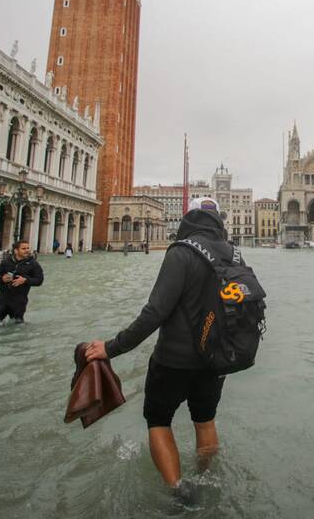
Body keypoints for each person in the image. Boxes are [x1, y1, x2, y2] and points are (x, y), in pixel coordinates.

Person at [83, 197, 238, 489]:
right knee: (205, 421)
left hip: (174, 360)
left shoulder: (181, 252)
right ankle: (206, 481)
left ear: (188, 218)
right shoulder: (233, 253)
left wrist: (112, 347)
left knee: (159, 420)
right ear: (218, 219)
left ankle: (178, 491)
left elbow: (155, 312)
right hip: (215, 359)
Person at [0, 239, 44, 325]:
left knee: (17, 327)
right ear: (16, 250)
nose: (27, 250)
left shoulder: (33, 264)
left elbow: (39, 280)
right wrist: (2, 279)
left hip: (19, 302)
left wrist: (25, 280)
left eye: (28, 248)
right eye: (24, 248)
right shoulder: (6, 262)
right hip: (2, 300)